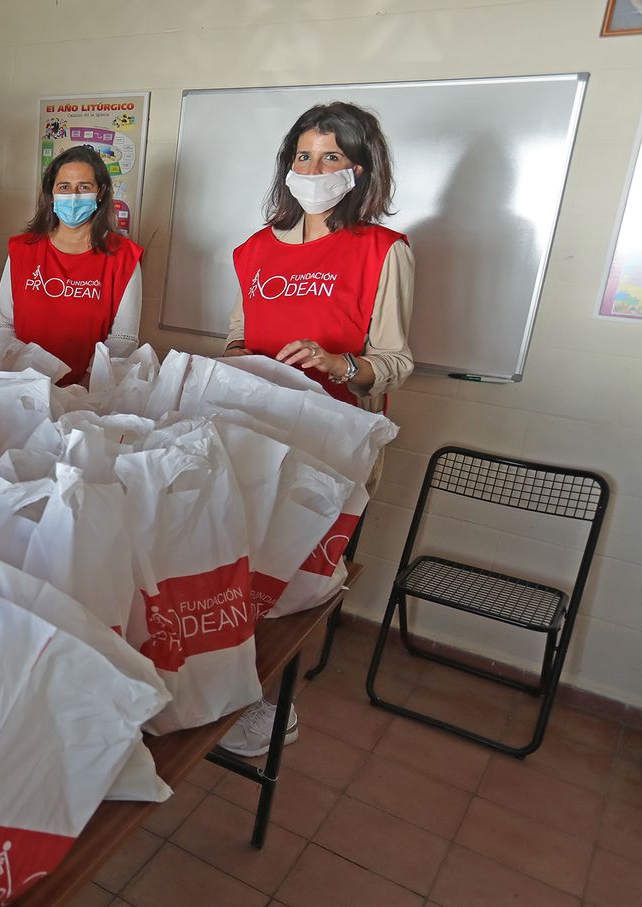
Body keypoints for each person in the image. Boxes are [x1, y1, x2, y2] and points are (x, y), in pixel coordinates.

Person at [219, 101, 414, 757]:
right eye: (303, 156)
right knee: (239, 574)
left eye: (331, 156)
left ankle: (277, 707)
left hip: (334, 446)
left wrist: (343, 363)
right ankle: (227, 691)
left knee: (297, 587)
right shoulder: (252, 251)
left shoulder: (383, 251)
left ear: (359, 170)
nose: (314, 168)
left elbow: (396, 362)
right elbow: (239, 338)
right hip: (252, 436)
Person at [0, 144, 144, 384]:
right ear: (51, 193)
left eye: (84, 187)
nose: (73, 195)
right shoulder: (22, 250)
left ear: (100, 192)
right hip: (23, 387)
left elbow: (123, 337)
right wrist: (22, 380)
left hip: (89, 393)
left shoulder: (124, 257)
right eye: (64, 186)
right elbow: (2, 324)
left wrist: (84, 386)